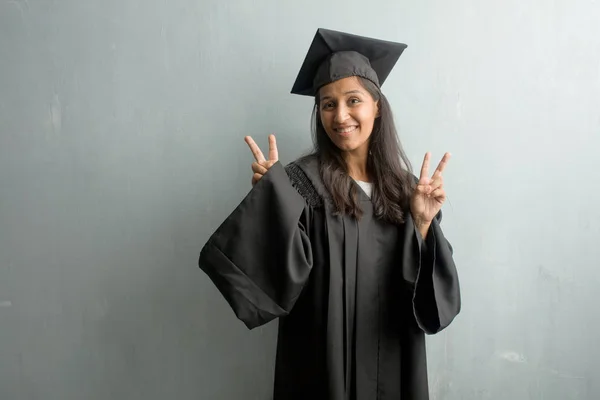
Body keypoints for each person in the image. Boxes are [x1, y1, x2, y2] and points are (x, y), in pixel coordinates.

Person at [198, 28, 461, 400]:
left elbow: (431, 300)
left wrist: (421, 223)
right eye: (327, 104)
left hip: (394, 356)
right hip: (320, 364)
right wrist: (271, 203)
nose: (341, 116)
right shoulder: (300, 182)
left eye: (354, 100)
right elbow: (273, 277)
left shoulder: (407, 191)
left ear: (376, 107)